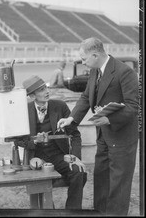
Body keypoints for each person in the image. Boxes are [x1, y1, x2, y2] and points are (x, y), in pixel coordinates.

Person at [57, 37, 139, 215]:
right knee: (101, 178)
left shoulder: (125, 72)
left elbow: (134, 107)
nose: (83, 62)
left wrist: (109, 119)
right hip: (103, 136)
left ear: (95, 55)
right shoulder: (95, 71)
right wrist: (71, 118)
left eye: (84, 59)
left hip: (122, 137)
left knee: (118, 184)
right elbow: (87, 97)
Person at [15, 75, 87, 210]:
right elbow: (18, 140)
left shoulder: (60, 106)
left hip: (59, 154)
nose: (47, 92)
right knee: (39, 182)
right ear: (32, 96)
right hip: (36, 156)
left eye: (46, 88)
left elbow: (75, 135)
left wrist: (76, 157)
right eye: (41, 90)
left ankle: (72, 210)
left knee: (79, 172)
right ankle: (49, 210)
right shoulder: (24, 110)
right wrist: (35, 141)